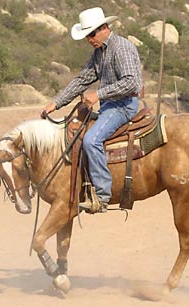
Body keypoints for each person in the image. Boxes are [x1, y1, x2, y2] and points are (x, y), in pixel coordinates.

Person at [40, 7, 143, 213]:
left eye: (92, 34)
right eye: (87, 35)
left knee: (91, 140)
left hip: (123, 105)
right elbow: (83, 79)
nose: (90, 39)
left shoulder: (121, 48)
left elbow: (132, 83)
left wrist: (99, 94)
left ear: (105, 28)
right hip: (109, 106)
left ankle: (102, 195)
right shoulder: (99, 53)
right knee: (75, 130)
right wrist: (57, 102)